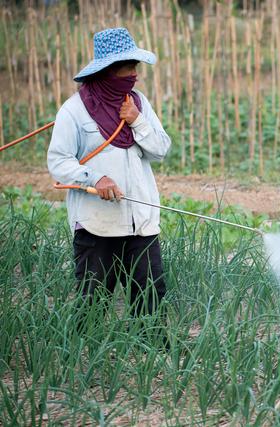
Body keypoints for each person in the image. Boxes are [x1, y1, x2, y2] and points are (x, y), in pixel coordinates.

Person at [47, 27, 171, 318]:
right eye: (127, 68)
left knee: (151, 295)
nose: (134, 75)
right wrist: (95, 179)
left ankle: (152, 353)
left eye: (135, 67)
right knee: (93, 299)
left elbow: (161, 150)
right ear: (107, 71)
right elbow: (59, 161)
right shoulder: (74, 111)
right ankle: (82, 357)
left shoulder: (138, 103)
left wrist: (137, 121)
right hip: (97, 225)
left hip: (141, 222)